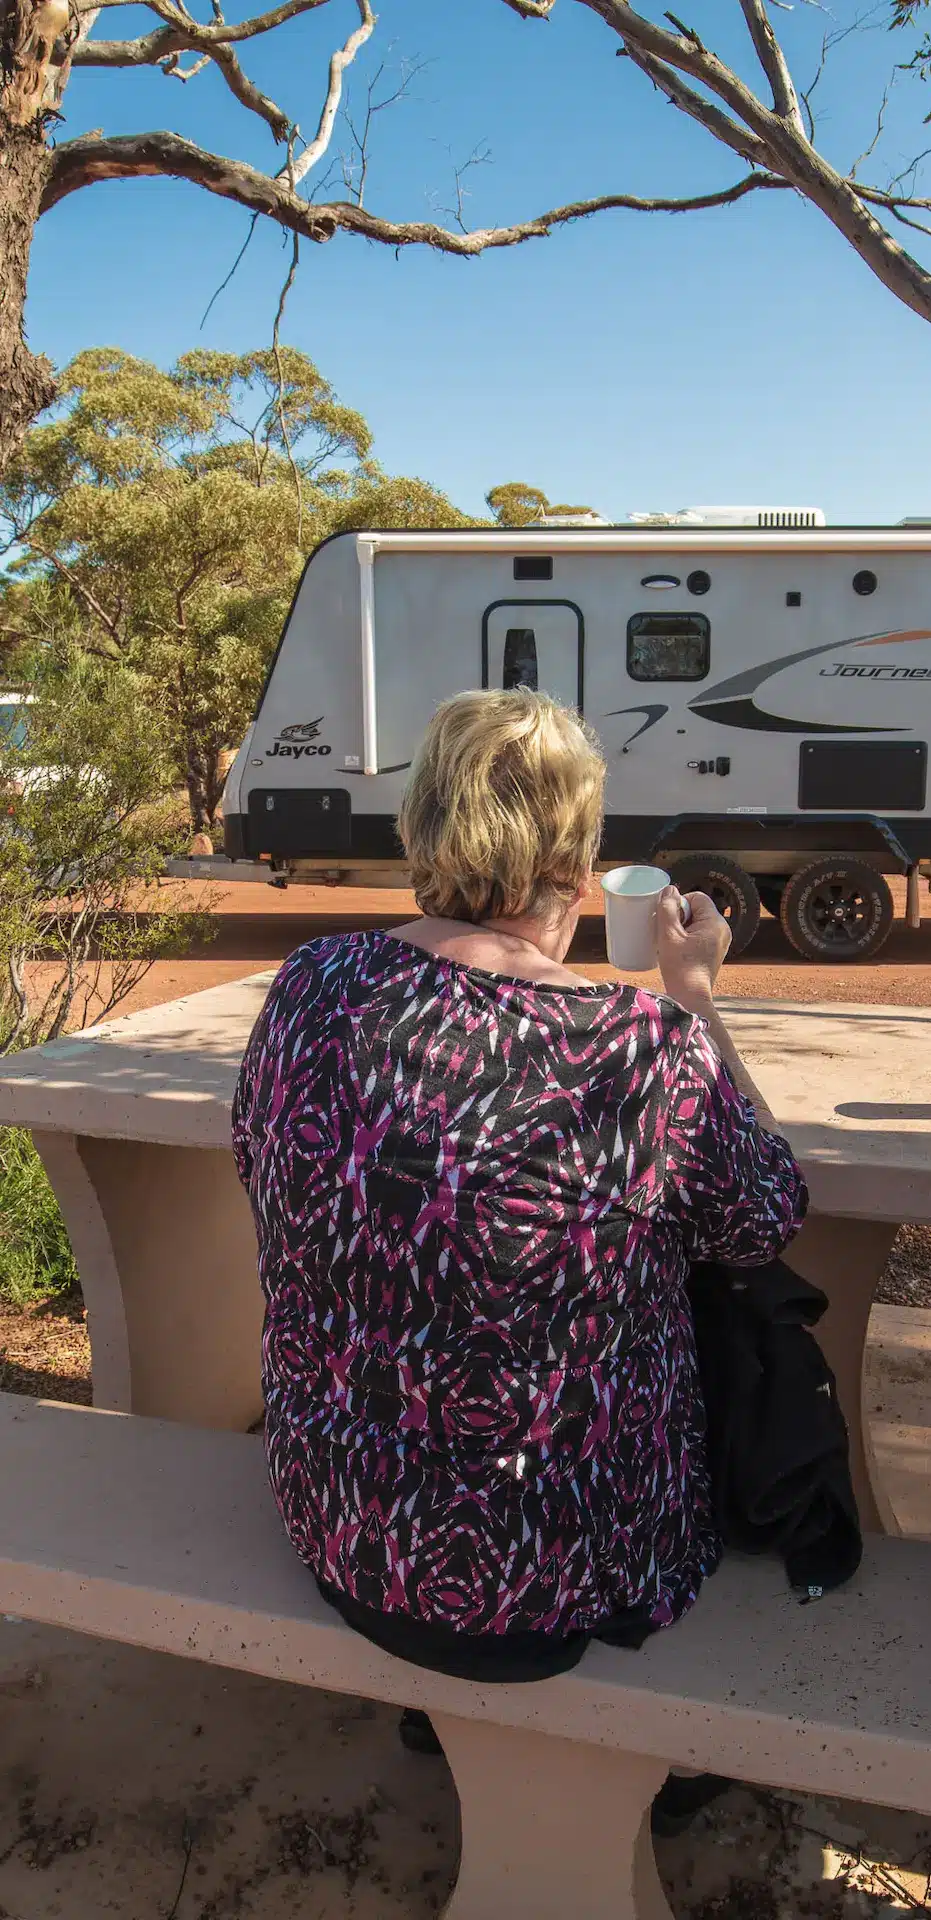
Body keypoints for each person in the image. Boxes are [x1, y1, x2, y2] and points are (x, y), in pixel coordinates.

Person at [232, 689, 805, 1706]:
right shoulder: (643, 1044)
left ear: (421, 828)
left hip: (343, 1528)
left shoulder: (309, 986)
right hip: (564, 1576)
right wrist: (699, 1001)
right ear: (580, 863)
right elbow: (763, 1218)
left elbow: (263, 1167)